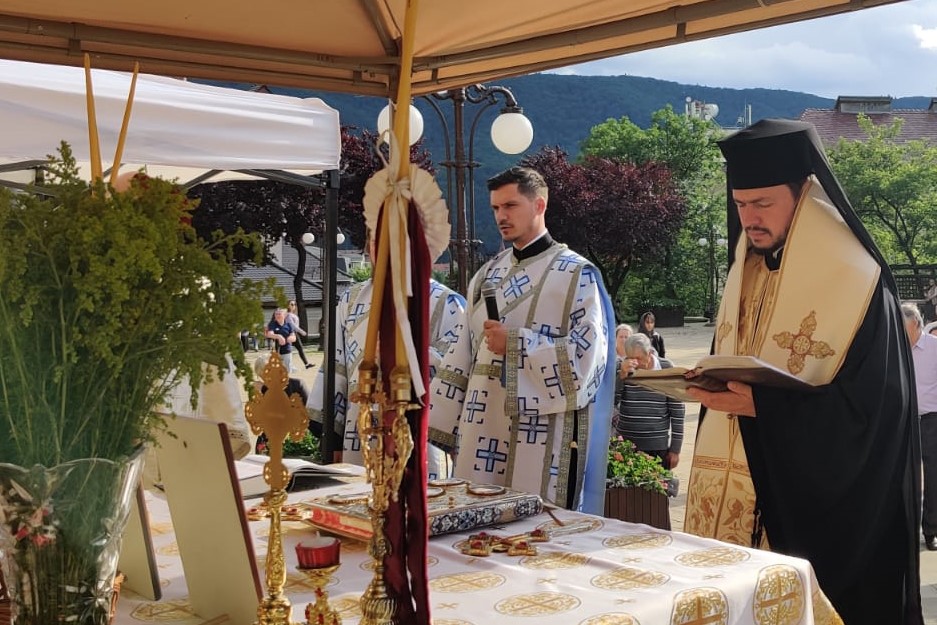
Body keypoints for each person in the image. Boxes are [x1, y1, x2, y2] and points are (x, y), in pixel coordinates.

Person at [683, 119, 922, 625]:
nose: (748, 217)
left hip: (820, 511)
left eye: (762, 203)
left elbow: (876, 414)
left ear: (805, 193)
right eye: (740, 204)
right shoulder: (742, 270)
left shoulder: (856, 280)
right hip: (737, 482)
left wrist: (763, 407)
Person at [428, 166, 616, 514]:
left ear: (539, 205)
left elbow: (587, 364)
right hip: (481, 429)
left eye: (510, 206)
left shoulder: (576, 275)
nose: (501, 216)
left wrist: (516, 344)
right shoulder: (487, 274)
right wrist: (441, 423)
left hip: (541, 435)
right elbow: (463, 353)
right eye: (496, 208)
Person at [307, 239, 467, 480]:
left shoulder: (445, 302)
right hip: (359, 425)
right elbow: (336, 367)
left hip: (415, 424)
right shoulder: (351, 300)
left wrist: (405, 353)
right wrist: (332, 438)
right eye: (374, 242)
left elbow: (456, 368)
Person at [615, 333, 683, 470]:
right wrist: (621, 376)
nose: (636, 363)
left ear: (650, 353)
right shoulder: (622, 367)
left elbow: (677, 411)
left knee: (656, 488)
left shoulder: (666, 368)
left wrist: (675, 449)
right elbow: (612, 401)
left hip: (657, 445)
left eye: (639, 358)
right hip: (626, 443)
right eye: (631, 358)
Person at [902, 302, 937, 551]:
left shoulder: (935, 348)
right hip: (903, 421)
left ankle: (931, 530)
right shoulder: (896, 349)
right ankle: (905, 529)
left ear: (916, 324)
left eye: (905, 329)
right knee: (905, 476)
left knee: (933, 478)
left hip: (931, 420)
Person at [265, 308, 296, 373]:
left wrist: (289, 338)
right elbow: (269, 334)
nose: (277, 316)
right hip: (276, 352)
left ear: (284, 315)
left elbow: (294, 337)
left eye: (279, 314)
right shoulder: (273, 324)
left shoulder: (289, 325)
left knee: (287, 371)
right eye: (276, 314)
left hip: (287, 351)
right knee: (277, 372)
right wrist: (279, 336)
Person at [286, 300, 315, 370]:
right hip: (288, 333)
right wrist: (302, 332)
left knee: (299, 348)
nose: (294, 306)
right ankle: (286, 365)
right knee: (287, 350)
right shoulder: (288, 315)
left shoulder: (293, 315)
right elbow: (292, 325)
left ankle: (306, 364)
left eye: (294, 304)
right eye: (292, 304)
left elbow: (295, 326)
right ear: (288, 305)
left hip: (294, 333)